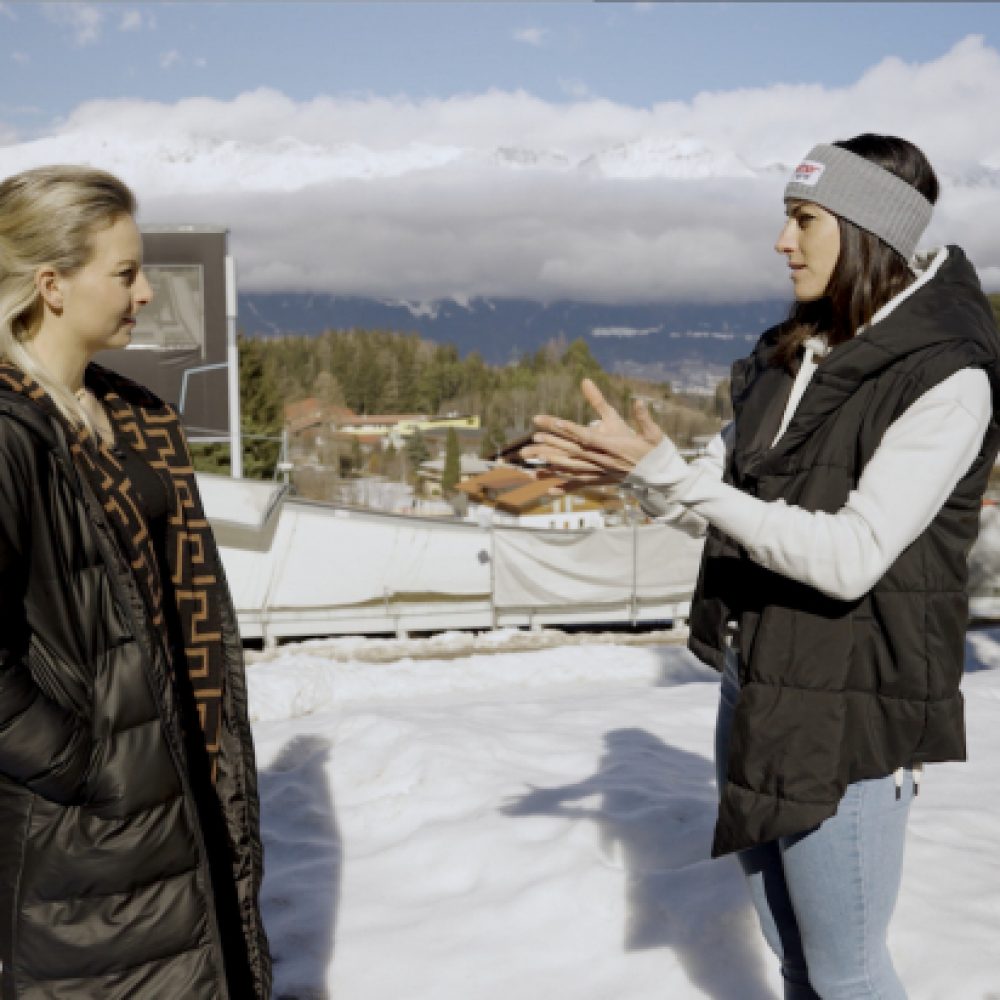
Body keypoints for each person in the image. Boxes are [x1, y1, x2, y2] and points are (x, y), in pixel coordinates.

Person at [524, 134, 1000, 999]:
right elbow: (723, 495)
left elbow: (852, 557)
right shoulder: (794, 354)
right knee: (795, 961)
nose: (783, 242)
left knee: (847, 974)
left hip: (851, 698)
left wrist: (673, 482)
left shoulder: (946, 378)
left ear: (864, 230)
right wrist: (636, 475)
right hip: (761, 677)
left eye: (804, 219)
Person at [0, 164, 271, 998]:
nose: (146, 293)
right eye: (124, 273)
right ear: (50, 284)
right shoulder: (12, 430)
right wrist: (84, 763)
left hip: (179, 786)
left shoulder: (128, 413)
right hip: (85, 842)